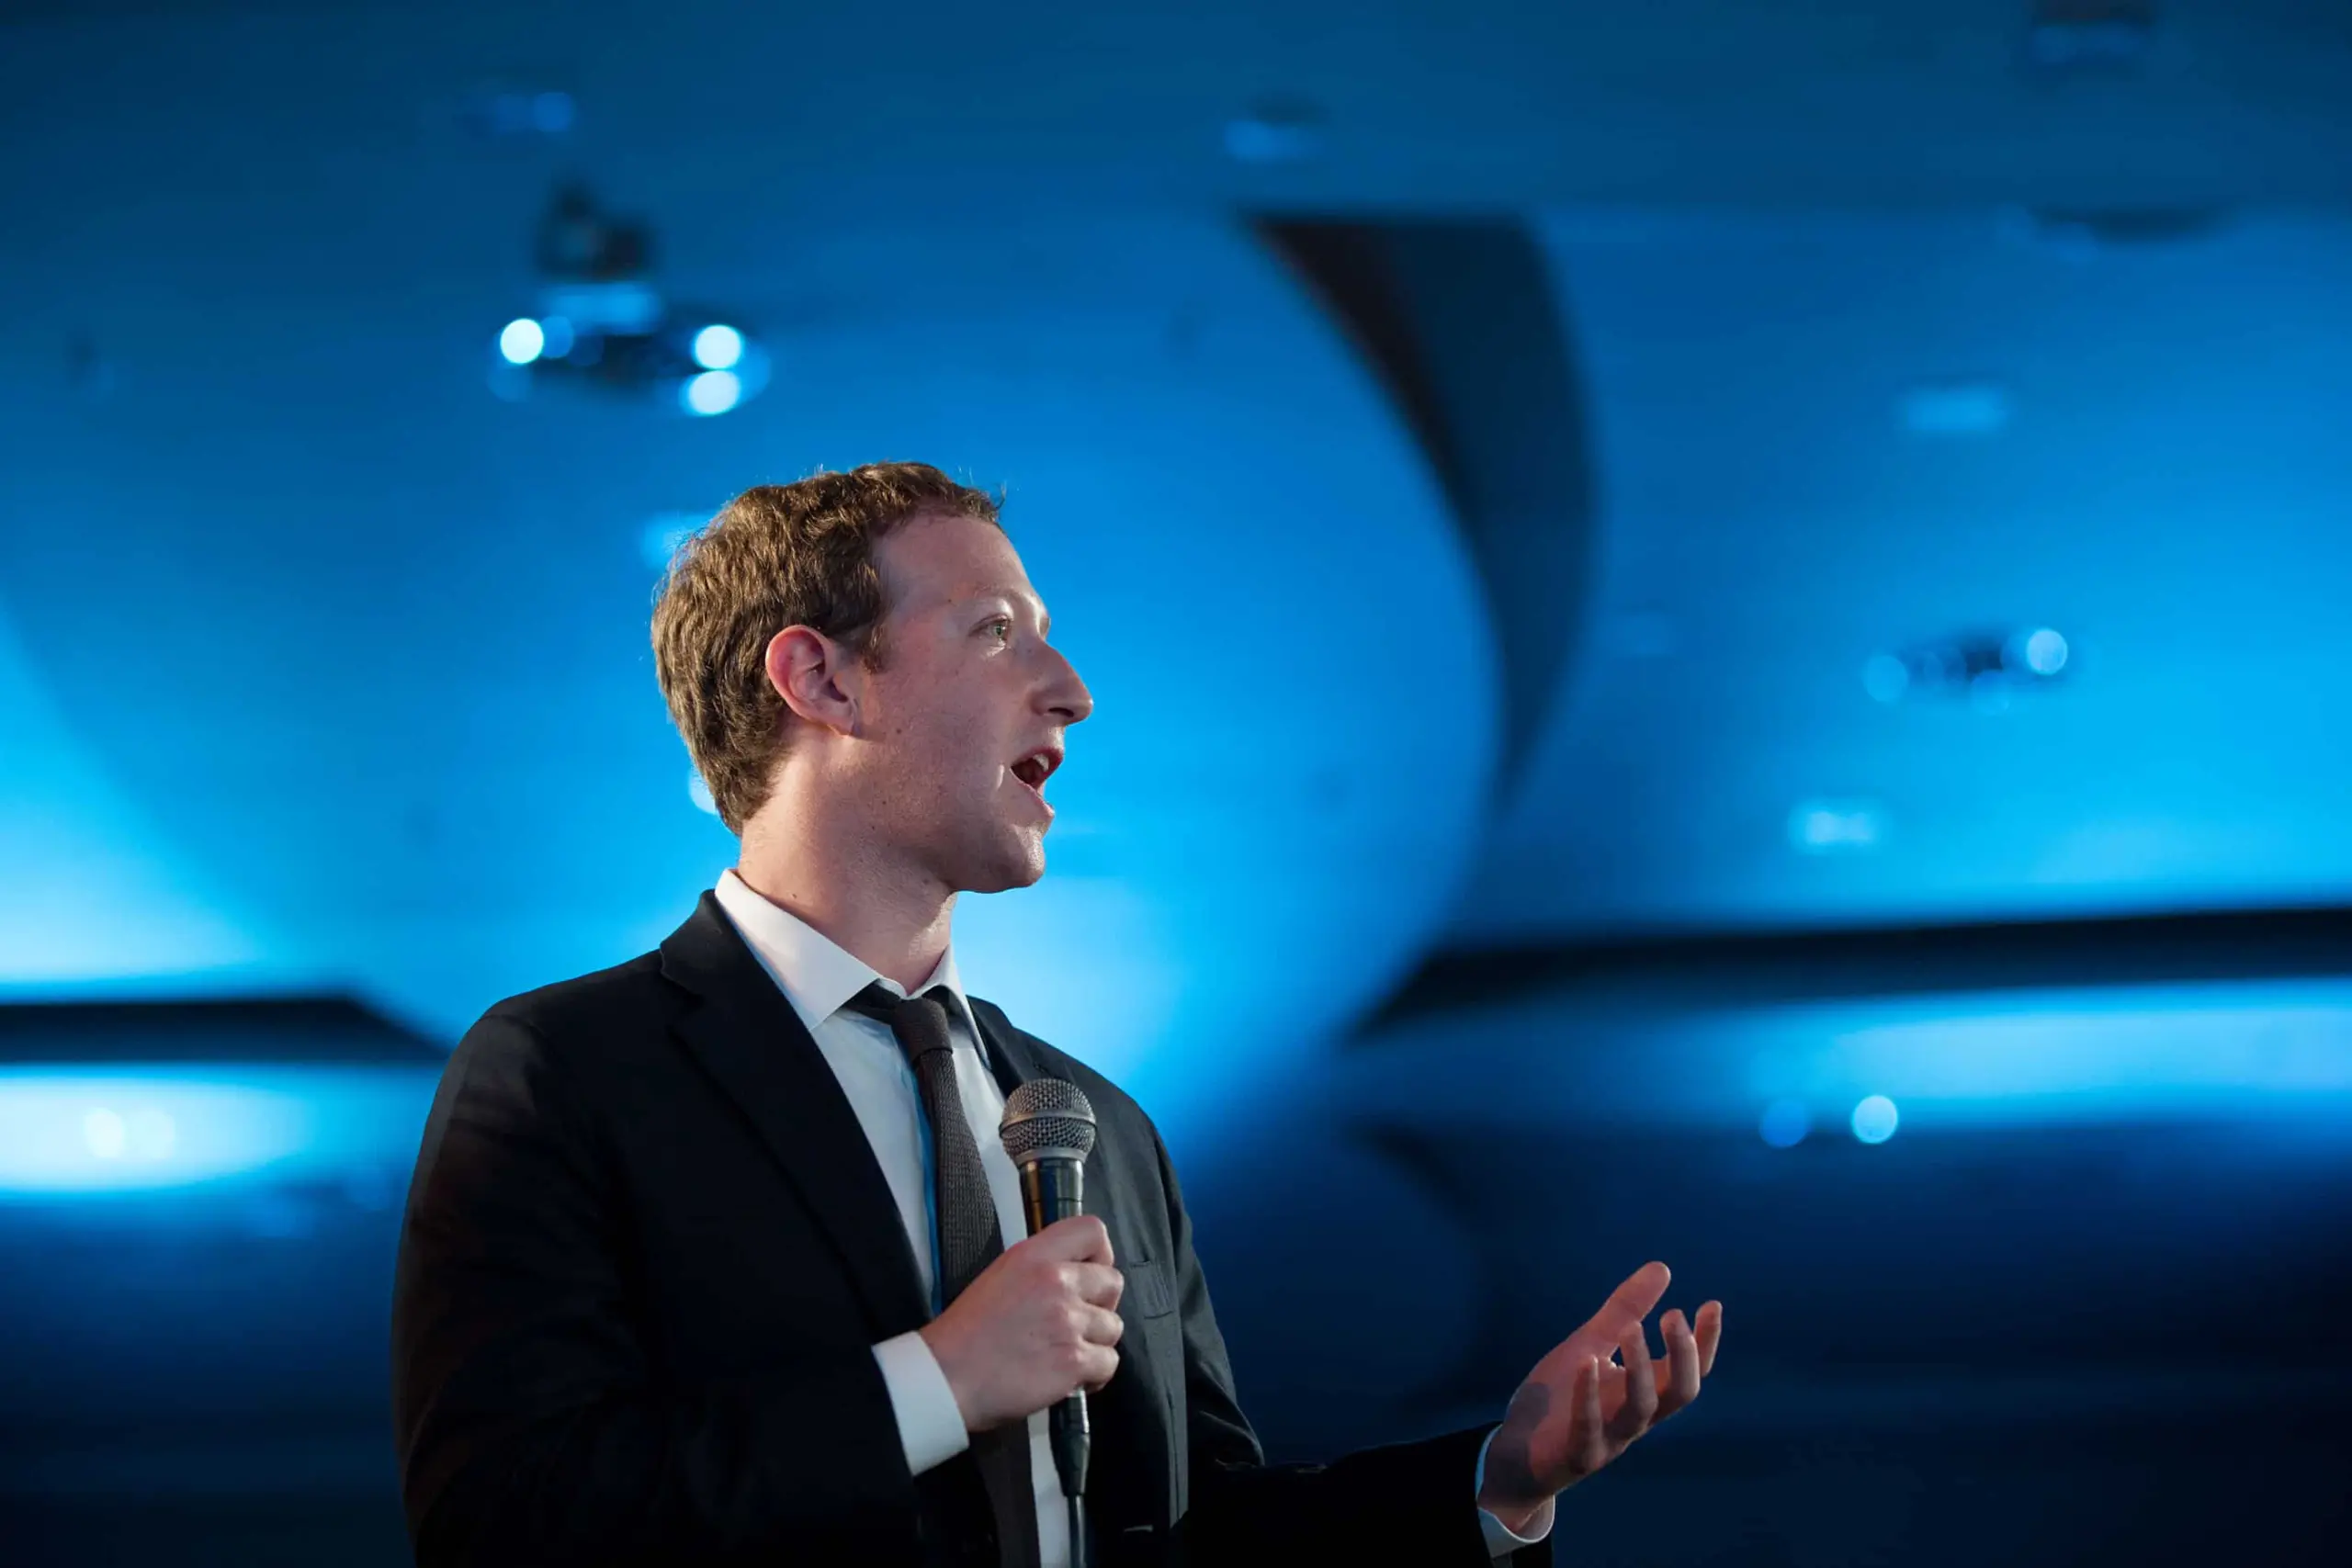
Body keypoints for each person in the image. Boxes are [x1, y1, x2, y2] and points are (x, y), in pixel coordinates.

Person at [390, 462, 1724, 1567]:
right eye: (997, 629)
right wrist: (940, 1381)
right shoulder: (569, 1072)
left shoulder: (1098, 1126)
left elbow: (1205, 1530)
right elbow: (505, 1521)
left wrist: (1499, 1479)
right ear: (822, 679)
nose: (1071, 686)